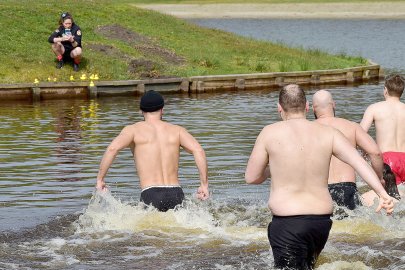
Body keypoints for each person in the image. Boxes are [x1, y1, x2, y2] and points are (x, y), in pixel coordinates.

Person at [245, 84, 394, 270]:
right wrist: (382, 193)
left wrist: (270, 169)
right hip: (321, 224)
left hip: (288, 223)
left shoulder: (269, 132)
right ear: (307, 106)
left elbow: (252, 177)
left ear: (279, 108)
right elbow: (359, 163)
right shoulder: (329, 133)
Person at [96, 90, 209, 212]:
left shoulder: (133, 130)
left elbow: (112, 148)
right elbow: (198, 150)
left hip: (150, 194)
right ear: (162, 110)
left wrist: (100, 179)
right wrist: (204, 184)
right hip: (176, 193)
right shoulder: (177, 130)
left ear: (141, 111)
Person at [312, 90, 384, 210]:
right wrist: (379, 179)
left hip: (321, 192)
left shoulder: (307, 131)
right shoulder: (352, 126)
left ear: (313, 109)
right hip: (348, 189)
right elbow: (375, 153)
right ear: (334, 104)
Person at [360, 74, 405, 187]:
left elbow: (359, 134)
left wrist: (365, 153)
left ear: (385, 90)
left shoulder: (374, 108)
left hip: (386, 160)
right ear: (401, 91)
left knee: (386, 197)